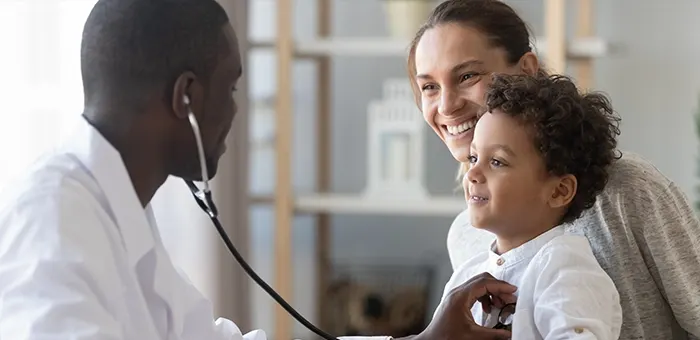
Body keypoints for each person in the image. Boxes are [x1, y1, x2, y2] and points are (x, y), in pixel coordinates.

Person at [0, 0, 516, 339]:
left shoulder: (118, 215)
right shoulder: (51, 222)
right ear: (186, 97)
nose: (235, 112)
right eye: (229, 89)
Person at [407, 0, 700, 339]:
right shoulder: (468, 236)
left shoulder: (628, 190)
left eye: (468, 75)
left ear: (527, 69)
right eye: (429, 86)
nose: (446, 105)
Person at [440, 72, 623, 338]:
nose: (472, 174)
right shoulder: (468, 276)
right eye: (474, 157)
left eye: (497, 162)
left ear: (559, 191)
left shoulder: (565, 270)